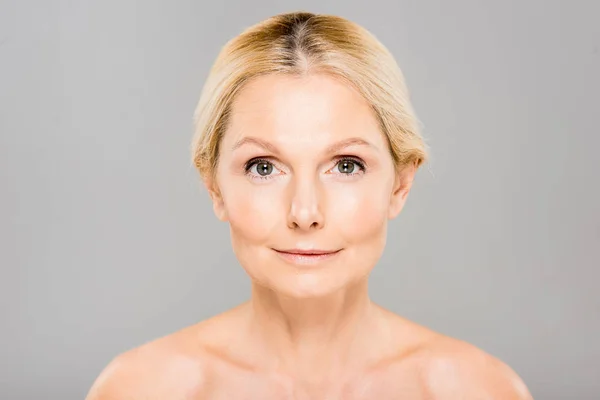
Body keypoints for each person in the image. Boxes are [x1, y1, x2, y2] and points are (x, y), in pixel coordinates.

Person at [86, 11, 533, 399]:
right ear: (214, 187)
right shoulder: (138, 390)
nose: (304, 213)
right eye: (263, 167)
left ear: (400, 183)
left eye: (346, 165)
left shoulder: (480, 391)